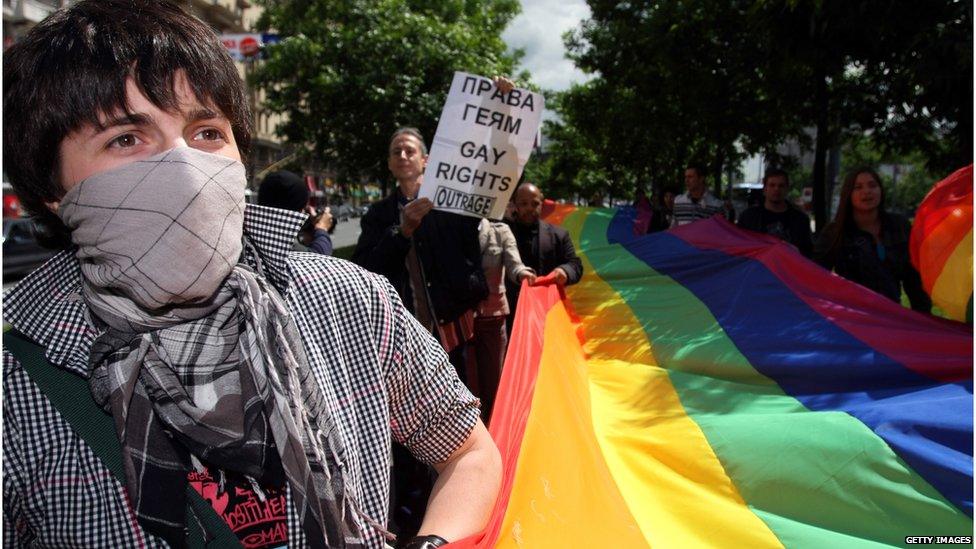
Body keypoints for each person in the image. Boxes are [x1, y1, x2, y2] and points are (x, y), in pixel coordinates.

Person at [1, 3, 501, 549]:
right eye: (126, 139)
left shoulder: (352, 303)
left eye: (207, 132)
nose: (185, 169)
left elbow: (469, 451)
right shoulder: (15, 387)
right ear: (51, 188)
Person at [814, 167, 931, 312]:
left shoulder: (899, 226)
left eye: (872, 185)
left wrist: (924, 321)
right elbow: (814, 274)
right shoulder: (835, 232)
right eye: (858, 187)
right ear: (848, 194)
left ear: (881, 190)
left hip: (892, 315)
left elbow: (914, 282)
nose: (867, 191)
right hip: (854, 318)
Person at [471, 219, 535, 423]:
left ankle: (496, 428)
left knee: (493, 382)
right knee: (466, 381)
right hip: (459, 321)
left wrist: (523, 274)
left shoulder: (501, 231)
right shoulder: (452, 226)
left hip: (493, 317)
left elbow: (514, 264)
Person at [505, 183, 583, 324]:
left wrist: (564, 271)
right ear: (515, 205)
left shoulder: (559, 235)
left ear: (542, 204)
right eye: (524, 203)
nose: (529, 208)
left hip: (546, 312)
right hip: (510, 314)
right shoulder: (501, 233)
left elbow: (575, 265)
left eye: (534, 203)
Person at [737, 168, 813, 257]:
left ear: (787, 189)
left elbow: (807, 253)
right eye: (772, 185)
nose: (776, 189)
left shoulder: (800, 220)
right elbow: (740, 247)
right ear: (765, 189)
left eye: (781, 186)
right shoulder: (748, 217)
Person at [258, 170, 335, 255]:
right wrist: (321, 228)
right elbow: (319, 257)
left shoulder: (251, 237)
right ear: (292, 214)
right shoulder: (284, 250)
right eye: (302, 209)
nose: (304, 214)